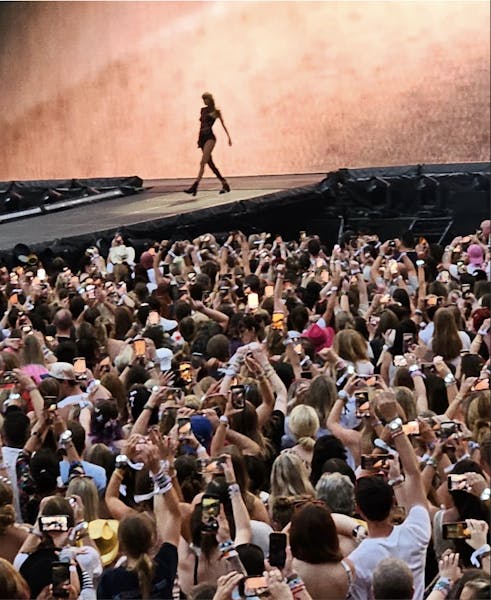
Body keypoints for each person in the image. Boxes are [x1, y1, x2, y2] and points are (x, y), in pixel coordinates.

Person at [185, 92, 232, 196]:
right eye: (203, 99)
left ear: (210, 100)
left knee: (202, 162)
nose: (204, 101)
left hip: (210, 138)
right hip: (202, 138)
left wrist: (228, 137)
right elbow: (201, 125)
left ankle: (195, 185)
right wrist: (198, 139)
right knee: (210, 163)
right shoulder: (203, 110)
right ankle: (224, 183)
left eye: (205, 99)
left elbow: (223, 124)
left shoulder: (215, 111)